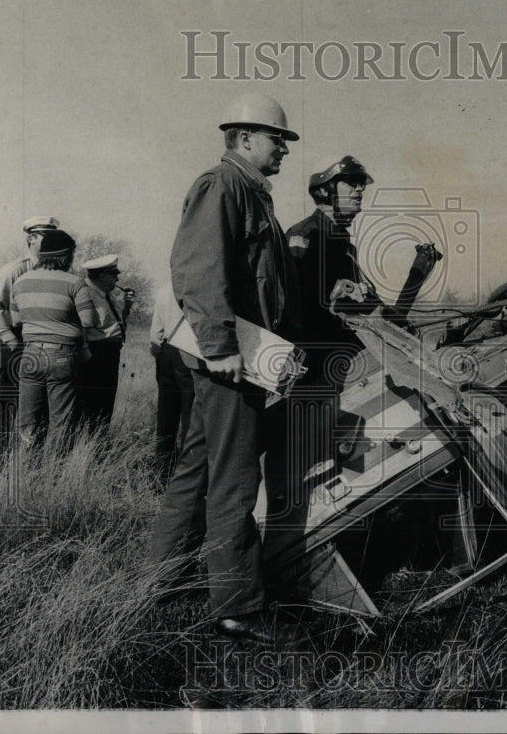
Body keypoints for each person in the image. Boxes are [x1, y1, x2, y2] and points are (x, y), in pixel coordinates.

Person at [149, 93, 300, 643]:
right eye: (276, 138)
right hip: (229, 360)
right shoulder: (223, 185)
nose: (283, 147)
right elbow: (195, 268)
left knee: (195, 470)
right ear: (243, 138)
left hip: (236, 356)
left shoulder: (252, 193)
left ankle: (159, 579)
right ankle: (236, 605)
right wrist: (219, 346)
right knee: (236, 480)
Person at [274, 157, 381, 524]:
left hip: (344, 368)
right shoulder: (305, 234)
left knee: (339, 452)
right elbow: (293, 304)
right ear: (325, 192)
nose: (359, 190)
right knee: (308, 459)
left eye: (360, 183)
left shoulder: (344, 243)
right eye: (350, 183)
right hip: (313, 370)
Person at [0, 216, 60, 478]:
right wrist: (13, 343)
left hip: (47, 342)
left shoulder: (59, 271)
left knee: (41, 407)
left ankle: (32, 468)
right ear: (31, 239)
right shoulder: (13, 269)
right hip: (18, 342)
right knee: (9, 403)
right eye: (42, 237)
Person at [10, 229, 98, 453]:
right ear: (66, 256)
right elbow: (89, 320)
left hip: (29, 354)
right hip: (61, 354)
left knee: (27, 420)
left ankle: (26, 466)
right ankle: (54, 472)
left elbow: (16, 320)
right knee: (61, 421)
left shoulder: (20, 282)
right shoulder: (74, 283)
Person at [77, 254, 134, 428]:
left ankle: (99, 444)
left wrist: (126, 309)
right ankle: (89, 445)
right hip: (95, 354)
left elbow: (115, 324)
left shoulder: (108, 296)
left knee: (106, 402)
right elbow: (82, 327)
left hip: (110, 352)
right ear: (102, 276)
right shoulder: (85, 294)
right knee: (93, 404)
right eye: (114, 274)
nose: (117, 278)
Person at [149, 283, 195, 488]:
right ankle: (187, 475)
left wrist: (160, 352)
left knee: (166, 413)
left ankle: (162, 470)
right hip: (190, 353)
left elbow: (156, 332)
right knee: (191, 414)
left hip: (166, 351)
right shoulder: (196, 287)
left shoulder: (164, 290)